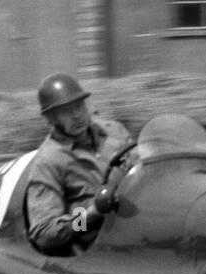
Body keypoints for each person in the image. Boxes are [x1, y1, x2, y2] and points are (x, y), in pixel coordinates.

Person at [25, 72, 134, 255]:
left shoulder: (114, 131)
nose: (76, 116)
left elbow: (147, 166)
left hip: (140, 224)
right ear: (51, 119)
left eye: (79, 106)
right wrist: (92, 213)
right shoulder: (49, 161)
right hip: (98, 247)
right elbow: (44, 234)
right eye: (66, 111)